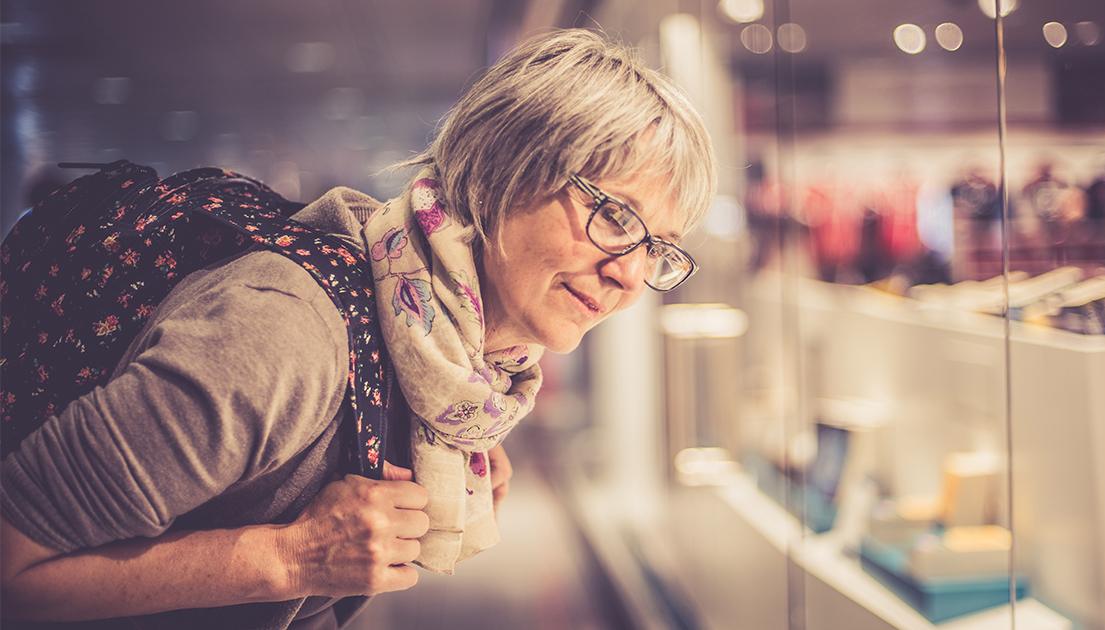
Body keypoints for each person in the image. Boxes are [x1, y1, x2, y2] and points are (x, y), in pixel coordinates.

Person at [0, 28, 716, 628]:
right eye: (615, 216)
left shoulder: (443, 368)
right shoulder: (281, 334)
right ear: (507, 168)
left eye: (658, 248)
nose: (629, 273)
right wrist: (293, 558)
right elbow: (12, 568)